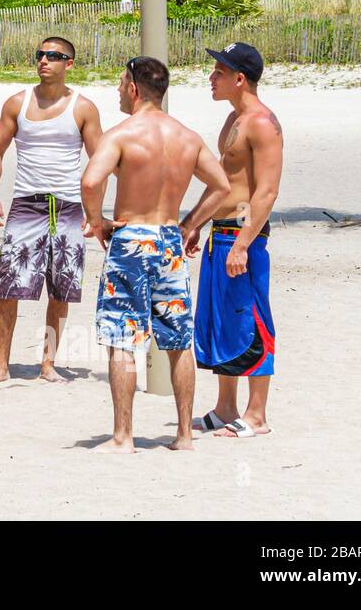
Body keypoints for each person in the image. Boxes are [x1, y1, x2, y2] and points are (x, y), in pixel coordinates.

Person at [80, 56, 230, 452]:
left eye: (120, 83)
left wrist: (98, 223)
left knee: (123, 339)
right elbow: (221, 187)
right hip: (168, 239)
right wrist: (189, 225)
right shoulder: (187, 137)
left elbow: (91, 181)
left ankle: (123, 436)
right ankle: (183, 435)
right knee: (179, 340)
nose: (117, 90)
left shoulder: (122, 134)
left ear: (133, 88)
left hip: (131, 239)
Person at [0, 37, 102, 384]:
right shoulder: (17, 103)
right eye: (40, 55)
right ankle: (1, 365)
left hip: (67, 206)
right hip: (26, 204)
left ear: (69, 63)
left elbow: (100, 162)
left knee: (60, 291)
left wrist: (94, 214)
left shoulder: (84, 108)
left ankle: (48, 365)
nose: (44, 61)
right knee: (9, 288)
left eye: (53, 56)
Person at [184, 43, 283, 438]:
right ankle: (225, 407)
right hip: (218, 236)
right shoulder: (232, 120)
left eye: (218, 72)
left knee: (252, 321)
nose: (211, 77)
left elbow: (267, 192)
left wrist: (242, 244)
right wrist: (196, 224)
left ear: (239, 78)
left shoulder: (261, 123)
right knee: (222, 322)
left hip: (245, 238)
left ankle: (256, 415)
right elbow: (223, 185)